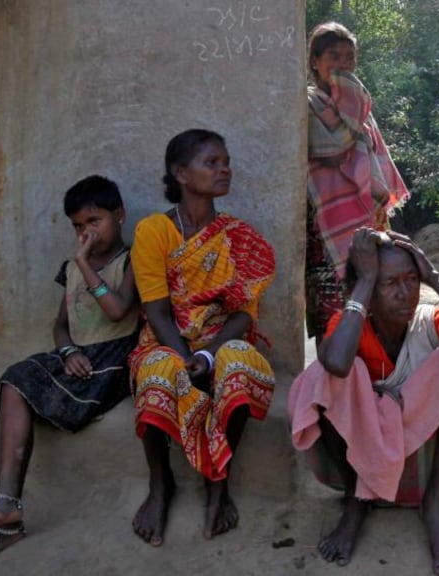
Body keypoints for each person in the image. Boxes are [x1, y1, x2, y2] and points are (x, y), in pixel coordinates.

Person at [289, 228, 439, 574]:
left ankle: (434, 503)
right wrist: (365, 280)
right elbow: (337, 364)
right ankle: (356, 502)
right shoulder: (351, 323)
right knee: (323, 374)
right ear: (368, 292)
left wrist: (434, 277)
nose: (406, 294)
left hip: (426, 442)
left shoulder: (429, 321)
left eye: (411, 280)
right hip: (361, 446)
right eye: (390, 284)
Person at [0, 175, 140, 569]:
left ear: (119, 216)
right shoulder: (72, 269)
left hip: (116, 356)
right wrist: (68, 349)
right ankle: (7, 509)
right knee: (15, 377)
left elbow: (118, 311)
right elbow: (61, 324)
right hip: (81, 352)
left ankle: (6, 516)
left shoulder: (134, 260)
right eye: (77, 226)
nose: (86, 232)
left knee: (27, 379)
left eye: (95, 221)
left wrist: (85, 265)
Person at [129, 129, 276, 546]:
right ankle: (161, 486)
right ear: (180, 173)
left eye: (225, 161)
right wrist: (183, 355)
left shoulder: (238, 236)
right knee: (158, 369)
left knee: (239, 363)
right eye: (211, 162)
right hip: (166, 336)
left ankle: (219, 485)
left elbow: (242, 312)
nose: (224, 169)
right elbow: (156, 310)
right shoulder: (154, 231)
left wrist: (208, 356)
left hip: (219, 337)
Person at [305, 21, 410, 344]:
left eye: (349, 57)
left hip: (368, 221)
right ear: (315, 62)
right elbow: (333, 149)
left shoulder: (360, 108)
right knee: (334, 311)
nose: (343, 64)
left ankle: (370, 386)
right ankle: (329, 386)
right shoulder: (307, 105)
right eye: (334, 56)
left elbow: (369, 163)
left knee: (372, 303)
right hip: (326, 228)